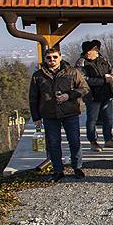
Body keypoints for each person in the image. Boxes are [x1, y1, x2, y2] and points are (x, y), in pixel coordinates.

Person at [30, 47, 89, 180]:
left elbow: (84, 88)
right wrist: (36, 117)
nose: (52, 60)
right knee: (53, 143)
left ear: (60, 57)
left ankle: (77, 167)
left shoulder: (72, 72)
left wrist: (69, 95)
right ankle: (58, 170)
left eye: (55, 57)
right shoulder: (38, 75)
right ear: (45, 59)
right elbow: (33, 98)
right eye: (49, 58)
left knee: (74, 141)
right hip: (49, 114)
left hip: (70, 112)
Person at [77, 40, 113, 152]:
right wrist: (103, 80)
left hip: (106, 93)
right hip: (91, 96)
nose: (88, 53)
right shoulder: (81, 63)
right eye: (86, 51)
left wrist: (112, 78)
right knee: (92, 120)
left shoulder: (104, 60)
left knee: (108, 118)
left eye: (90, 51)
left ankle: (108, 139)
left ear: (96, 51)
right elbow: (83, 79)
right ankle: (93, 142)